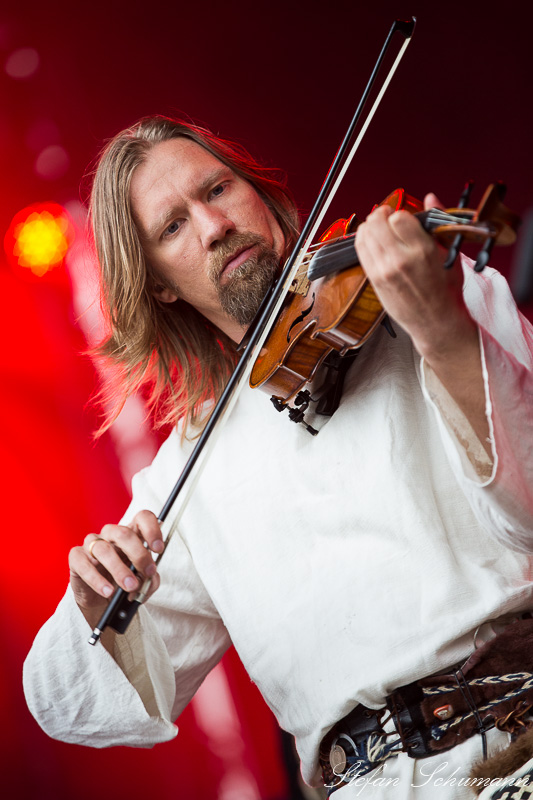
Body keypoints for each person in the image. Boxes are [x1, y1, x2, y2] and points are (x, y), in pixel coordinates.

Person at [23, 116, 533, 799]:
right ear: (160, 286)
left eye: (218, 189)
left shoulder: (433, 301)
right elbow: (65, 702)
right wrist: (93, 602)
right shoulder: (187, 470)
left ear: (260, 197)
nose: (212, 226)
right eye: (172, 227)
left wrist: (441, 332)